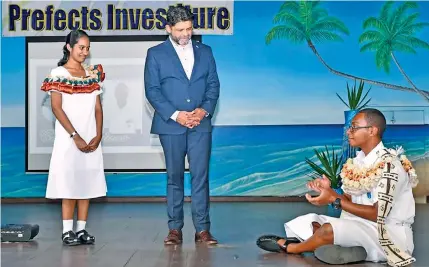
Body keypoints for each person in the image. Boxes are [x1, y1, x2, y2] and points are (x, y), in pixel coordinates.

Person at [256, 108, 419, 266]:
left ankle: (293, 247)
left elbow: (378, 215)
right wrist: (328, 193)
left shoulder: (391, 166)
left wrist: (334, 199)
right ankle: (346, 250)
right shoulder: (357, 162)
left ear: (372, 130)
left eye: (354, 127)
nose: (348, 132)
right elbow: (348, 201)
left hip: (387, 233)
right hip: (358, 225)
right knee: (309, 221)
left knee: (327, 230)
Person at [144, 6, 220, 245]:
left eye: (189, 28)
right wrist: (177, 115)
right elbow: (152, 91)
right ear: (168, 28)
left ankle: (202, 230)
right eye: (180, 30)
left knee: (201, 177)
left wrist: (203, 110)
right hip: (171, 126)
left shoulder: (205, 51)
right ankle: (174, 229)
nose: (186, 33)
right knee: (174, 177)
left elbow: (213, 86)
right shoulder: (155, 54)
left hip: (200, 124)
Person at [41, 30, 107, 246]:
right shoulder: (59, 72)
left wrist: (97, 135)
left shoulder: (91, 74)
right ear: (69, 47)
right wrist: (75, 136)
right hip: (69, 138)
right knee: (69, 182)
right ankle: (67, 230)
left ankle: (81, 229)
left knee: (86, 181)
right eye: (81, 47)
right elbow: (56, 108)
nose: (85, 52)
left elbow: (98, 108)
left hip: (90, 138)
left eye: (88, 48)